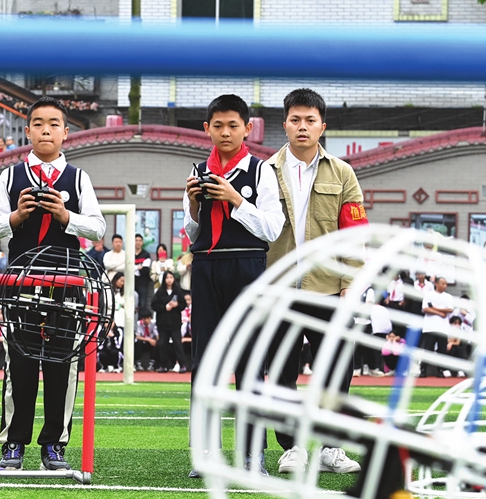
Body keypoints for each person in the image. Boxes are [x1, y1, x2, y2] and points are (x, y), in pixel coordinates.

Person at [0, 96, 105, 471]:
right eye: (38, 124)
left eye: (54, 124)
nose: (46, 130)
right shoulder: (11, 175)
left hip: (66, 285)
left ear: (66, 132)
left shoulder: (78, 177)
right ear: (27, 131)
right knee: (18, 365)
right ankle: (13, 444)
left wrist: (66, 216)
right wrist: (17, 216)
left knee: (62, 366)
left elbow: (98, 228)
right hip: (19, 283)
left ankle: (54, 444)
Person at [263, 88, 366, 476]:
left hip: (329, 287)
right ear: (284, 124)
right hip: (281, 287)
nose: (302, 127)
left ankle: (331, 448)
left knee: (338, 369)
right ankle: (291, 448)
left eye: (310, 120)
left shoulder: (342, 172)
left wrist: (352, 283)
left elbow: (354, 230)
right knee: (283, 370)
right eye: (295, 119)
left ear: (323, 125)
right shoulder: (265, 171)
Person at [183, 93, 286, 475]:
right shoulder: (196, 170)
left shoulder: (261, 172)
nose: (226, 132)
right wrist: (195, 205)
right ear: (206, 129)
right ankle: (204, 453)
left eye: (233, 125)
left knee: (249, 360)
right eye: (218, 125)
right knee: (205, 360)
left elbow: (273, 230)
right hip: (206, 266)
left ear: (247, 128)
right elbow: (191, 230)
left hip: (247, 265)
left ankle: (252, 455)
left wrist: (235, 200)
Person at [152, 271, 187, 372]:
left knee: (177, 344)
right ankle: (163, 365)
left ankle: (182, 364)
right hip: (163, 323)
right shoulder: (160, 292)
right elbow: (154, 305)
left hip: (175, 323)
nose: (169, 280)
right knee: (162, 344)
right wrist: (164, 307)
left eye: (171, 277)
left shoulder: (177, 291)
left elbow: (183, 304)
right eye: (167, 278)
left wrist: (176, 306)